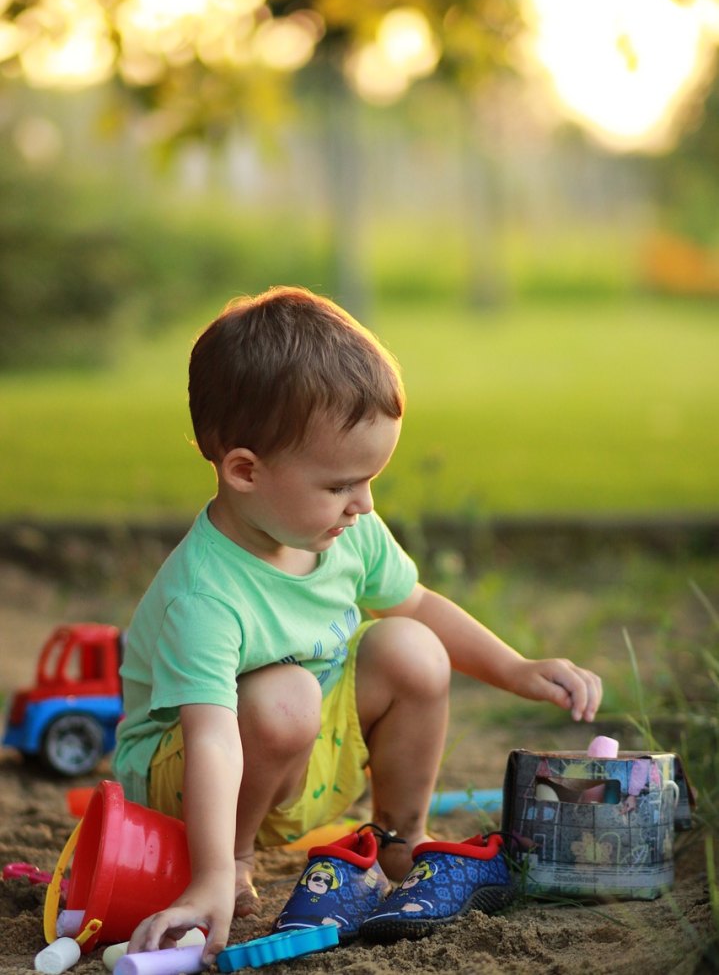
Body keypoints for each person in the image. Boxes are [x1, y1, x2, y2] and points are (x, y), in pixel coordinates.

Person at [113, 285, 602, 964]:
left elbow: (419, 603)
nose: (363, 504)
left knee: (412, 647)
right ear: (245, 470)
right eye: (341, 484)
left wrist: (515, 669)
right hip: (190, 777)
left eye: (370, 479)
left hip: (301, 750)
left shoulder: (348, 534)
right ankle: (233, 858)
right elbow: (212, 739)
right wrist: (210, 874)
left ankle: (397, 847)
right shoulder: (205, 595)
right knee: (284, 696)